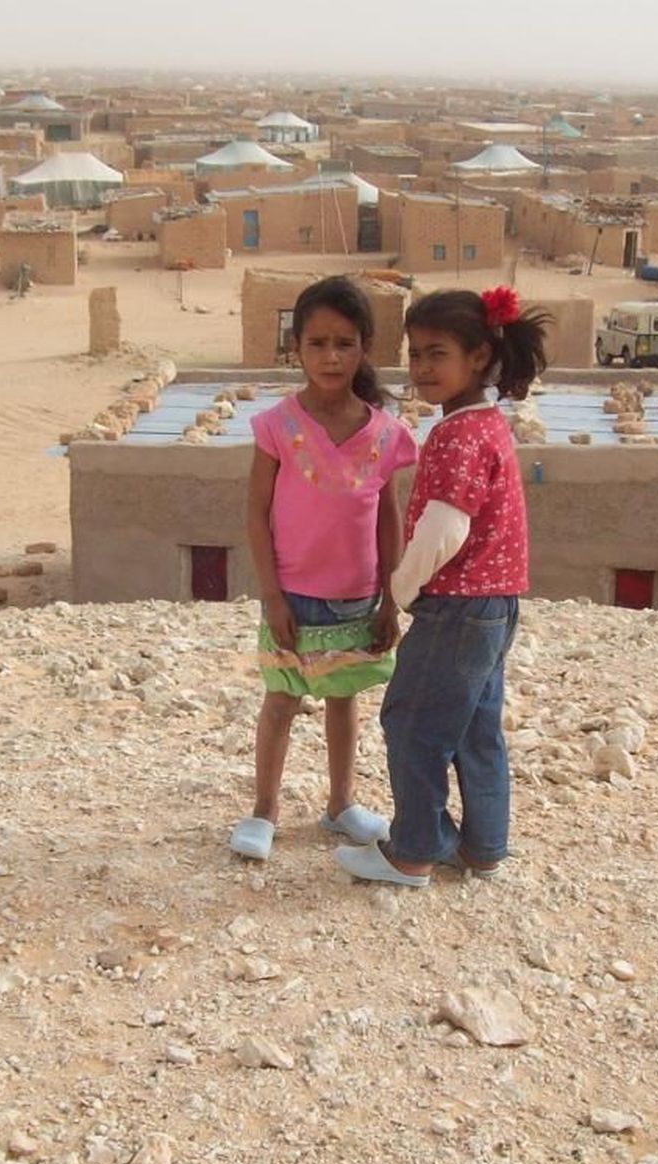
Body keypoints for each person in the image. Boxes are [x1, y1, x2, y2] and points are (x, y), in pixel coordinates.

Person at [335, 286, 550, 887]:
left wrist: (398, 593)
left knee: (413, 722)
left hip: (457, 605)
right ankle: (483, 847)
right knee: (475, 727)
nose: (422, 368)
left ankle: (412, 852)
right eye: (416, 354)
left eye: (437, 354)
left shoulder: (457, 435)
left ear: (478, 357)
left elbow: (444, 529)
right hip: (496, 604)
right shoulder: (487, 424)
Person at [229, 276, 419, 861]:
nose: (331, 357)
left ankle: (341, 805)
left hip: (357, 596)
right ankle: (264, 810)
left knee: (344, 698)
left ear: (365, 347)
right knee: (281, 701)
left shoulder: (385, 435)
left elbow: (387, 517)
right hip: (294, 594)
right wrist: (273, 596)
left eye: (345, 343)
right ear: (296, 348)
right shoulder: (278, 428)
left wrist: (391, 596)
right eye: (317, 344)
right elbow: (257, 515)